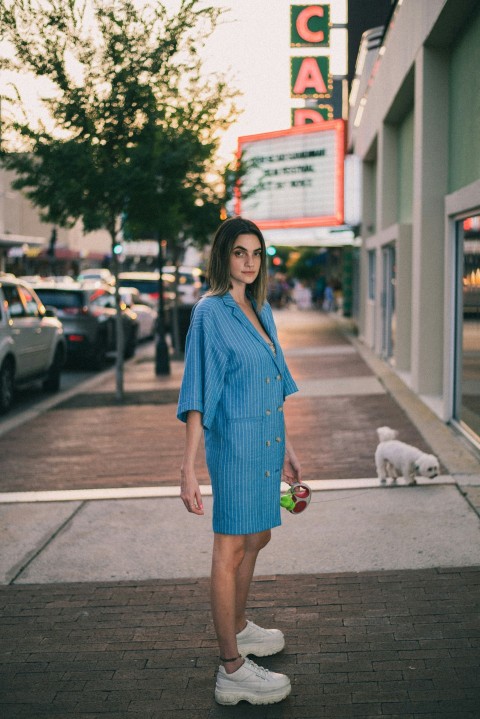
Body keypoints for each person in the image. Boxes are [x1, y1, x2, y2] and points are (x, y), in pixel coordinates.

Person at [177, 216, 302, 706]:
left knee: (259, 534)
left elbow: (276, 382)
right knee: (230, 548)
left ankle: (239, 627)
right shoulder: (211, 313)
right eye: (239, 253)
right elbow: (198, 394)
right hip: (234, 448)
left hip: (267, 444)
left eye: (256, 253)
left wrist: (288, 446)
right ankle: (231, 668)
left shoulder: (260, 309)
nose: (248, 262)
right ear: (222, 257)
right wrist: (188, 468)